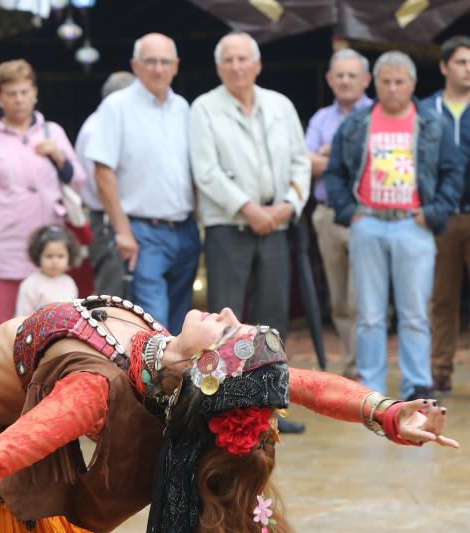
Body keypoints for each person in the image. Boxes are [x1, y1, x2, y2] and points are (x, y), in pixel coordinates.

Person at [0, 299, 458, 533]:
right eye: (228, 324)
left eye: (227, 329)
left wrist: (389, 413)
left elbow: (302, 385)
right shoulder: (141, 377)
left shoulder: (138, 377)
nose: (224, 313)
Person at [323, 51, 463, 401]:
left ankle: (416, 381)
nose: (393, 88)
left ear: (413, 84)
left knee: (415, 312)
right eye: (386, 81)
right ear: (376, 83)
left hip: (412, 226)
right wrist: (347, 210)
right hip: (368, 223)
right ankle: (372, 386)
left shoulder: (431, 123)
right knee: (369, 313)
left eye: (400, 82)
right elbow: (335, 172)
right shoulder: (356, 124)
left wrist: (432, 213)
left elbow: (453, 172)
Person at [189, 31, 310, 434]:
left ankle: (270, 409)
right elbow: (206, 171)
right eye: (229, 60)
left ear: (257, 64)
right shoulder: (204, 108)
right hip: (230, 224)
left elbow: (300, 162)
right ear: (219, 66)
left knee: (273, 317)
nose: (237, 67)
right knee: (225, 319)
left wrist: (288, 206)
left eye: (244, 59)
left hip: (276, 222)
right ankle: (223, 408)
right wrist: (248, 208)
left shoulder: (280, 104)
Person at [85, 34, 199, 335]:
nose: (158, 68)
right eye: (150, 61)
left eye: (165, 61)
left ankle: (176, 383)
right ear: (135, 65)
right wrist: (123, 231)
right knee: (154, 323)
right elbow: (102, 171)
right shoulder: (117, 106)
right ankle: (154, 383)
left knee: (182, 322)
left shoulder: (183, 107)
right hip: (142, 231)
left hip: (185, 229)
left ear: (175, 66)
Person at [0, 59, 85, 326]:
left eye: (24, 92)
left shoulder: (52, 131)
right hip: (2, 248)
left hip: (48, 248)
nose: (19, 100)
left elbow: (78, 181)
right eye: (11, 93)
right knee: (2, 327)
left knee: (52, 329)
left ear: (34, 93)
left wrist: (58, 156)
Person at [306, 48, 373, 380]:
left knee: (363, 297)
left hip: (368, 216)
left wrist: (329, 152)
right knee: (339, 300)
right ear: (330, 80)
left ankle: (365, 367)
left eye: (352, 75)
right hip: (328, 216)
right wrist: (341, 157)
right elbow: (306, 163)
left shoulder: (378, 114)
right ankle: (351, 366)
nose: (346, 81)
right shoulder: (320, 119)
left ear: (365, 79)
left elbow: (376, 162)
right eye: (340, 75)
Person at [422, 36, 470, 395]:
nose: (467, 69)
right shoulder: (425, 111)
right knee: (442, 298)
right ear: (444, 67)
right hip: (440, 218)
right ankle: (440, 373)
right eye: (461, 62)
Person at [75, 71, 135, 296]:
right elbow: (101, 184)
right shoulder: (99, 128)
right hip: (108, 223)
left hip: (112, 222)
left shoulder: (102, 124)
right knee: (113, 298)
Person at [15, 225, 79, 316]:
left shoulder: (69, 282)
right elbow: (21, 317)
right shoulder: (30, 284)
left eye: (60, 256)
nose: (55, 261)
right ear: (38, 256)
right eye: (49, 256)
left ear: (69, 256)